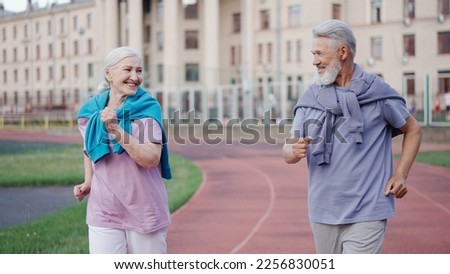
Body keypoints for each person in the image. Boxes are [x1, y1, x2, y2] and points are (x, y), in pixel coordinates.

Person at [283, 19, 422, 254]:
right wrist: (292, 152)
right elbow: (287, 149)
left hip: (368, 210)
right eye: (313, 53)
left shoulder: (377, 94)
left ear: (343, 52)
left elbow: (413, 130)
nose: (314, 61)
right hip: (322, 209)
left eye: (319, 53)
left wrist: (401, 173)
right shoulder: (310, 98)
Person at [73, 46, 172, 254]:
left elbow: (151, 158)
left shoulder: (147, 108)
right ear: (108, 73)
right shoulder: (91, 110)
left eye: (139, 71)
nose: (135, 77)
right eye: (128, 70)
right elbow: (88, 148)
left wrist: (116, 129)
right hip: (104, 210)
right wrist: (88, 181)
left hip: (144, 209)